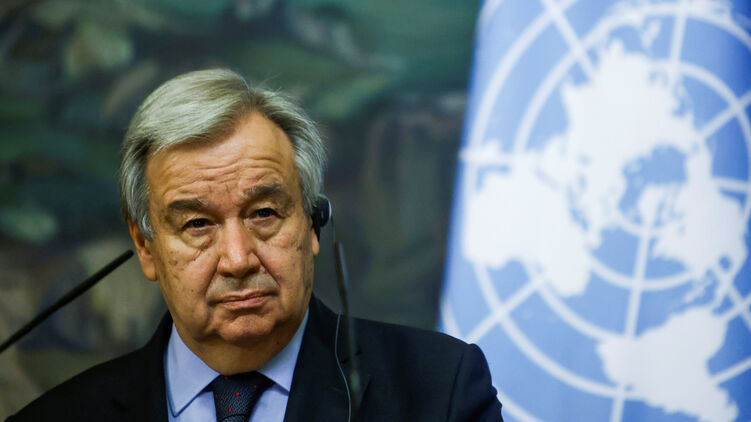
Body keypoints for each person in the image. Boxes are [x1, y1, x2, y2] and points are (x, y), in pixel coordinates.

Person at [7, 69, 503, 421]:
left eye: (264, 213)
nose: (238, 259)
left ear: (311, 224)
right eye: (197, 224)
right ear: (145, 246)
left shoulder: (439, 390)